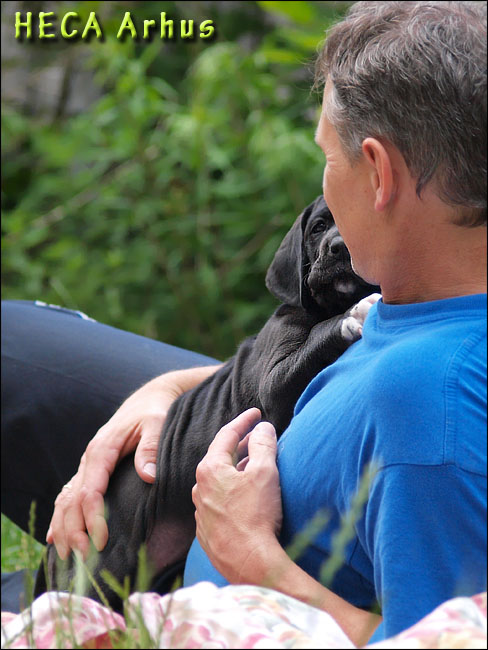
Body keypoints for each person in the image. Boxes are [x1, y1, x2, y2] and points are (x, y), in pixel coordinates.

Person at [1, 1, 486, 646]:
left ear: (378, 173)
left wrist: (251, 557)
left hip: (187, 601)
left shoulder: (433, 412)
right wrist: (170, 392)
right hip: (218, 467)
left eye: (328, 157)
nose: (323, 186)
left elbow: (438, 639)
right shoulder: (426, 280)